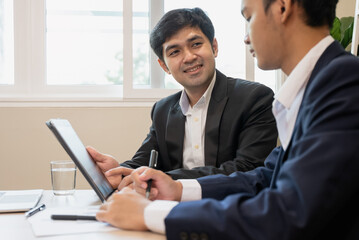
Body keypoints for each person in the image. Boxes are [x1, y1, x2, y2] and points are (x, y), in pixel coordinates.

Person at [95, 0, 359, 239]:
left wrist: (151, 214)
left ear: (282, 7)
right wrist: (176, 189)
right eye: (174, 52)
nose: (246, 37)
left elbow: (289, 212)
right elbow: (265, 178)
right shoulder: (315, 86)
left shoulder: (343, 82)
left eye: (249, 17)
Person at [87, 7, 277, 188]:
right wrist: (119, 171)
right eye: (175, 51)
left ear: (214, 47)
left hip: (233, 210)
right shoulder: (162, 110)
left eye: (196, 44)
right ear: (164, 66)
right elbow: (143, 163)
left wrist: (166, 179)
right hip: (173, 210)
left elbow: (248, 169)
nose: (188, 57)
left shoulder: (255, 98)